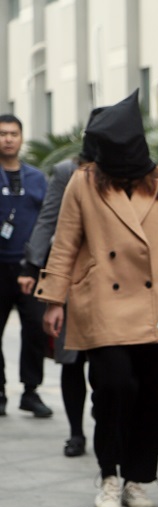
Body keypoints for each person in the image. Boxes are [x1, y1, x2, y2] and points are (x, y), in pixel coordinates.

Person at [36, 90, 158, 507]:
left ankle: (137, 478)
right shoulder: (84, 180)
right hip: (102, 299)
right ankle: (109, 474)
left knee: (151, 396)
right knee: (114, 388)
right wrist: (54, 300)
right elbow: (65, 242)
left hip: (154, 303)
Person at [17, 107, 105, 455]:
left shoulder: (133, 173)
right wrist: (31, 265)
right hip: (73, 281)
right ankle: (76, 433)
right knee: (72, 360)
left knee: (107, 364)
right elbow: (48, 220)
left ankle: (104, 425)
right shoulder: (68, 171)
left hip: (112, 284)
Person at [0, 114, 51, 419]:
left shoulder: (37, 178)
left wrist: (38, 264)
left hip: (29, 268)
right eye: (2, 133)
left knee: (34, 329)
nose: (8, 139)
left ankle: (30, 391)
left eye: (13, 133)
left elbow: (48, 221)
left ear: (21, 138)